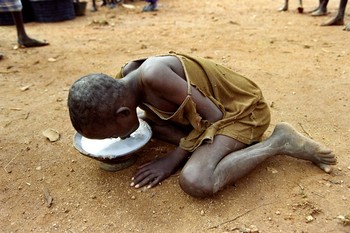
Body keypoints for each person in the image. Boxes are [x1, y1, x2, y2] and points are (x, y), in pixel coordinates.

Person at [68, 52, 337, 198]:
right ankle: (205, 151)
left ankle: (279, 142)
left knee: (196, 180)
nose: (116, 138)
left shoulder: (154, 74)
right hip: (203, 117)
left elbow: (215, 117)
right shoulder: (125, 80)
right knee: (150, 125)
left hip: (239, 113)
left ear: (124, 113)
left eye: (114, 133)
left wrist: (173, 159)